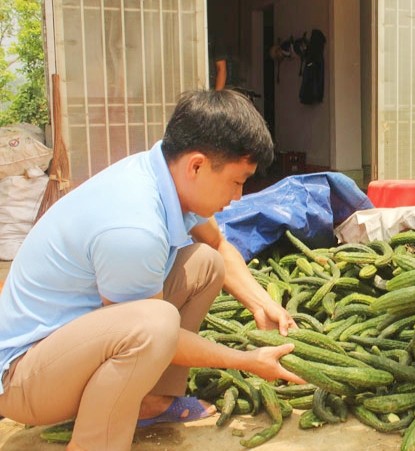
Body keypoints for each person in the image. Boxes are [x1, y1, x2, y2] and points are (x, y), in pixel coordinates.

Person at [0, 89, 305, 451]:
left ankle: (152, 402)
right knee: (154, 324)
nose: (238, 196)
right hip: (25, 377)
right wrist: (246, 361)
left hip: (70, 340)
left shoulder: (163, 175)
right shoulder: (135, 227)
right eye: (237, 182)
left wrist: (260, 304)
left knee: (205, 264)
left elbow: (219, 246)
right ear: (197, 165)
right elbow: (158, 336)